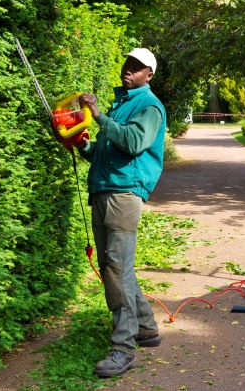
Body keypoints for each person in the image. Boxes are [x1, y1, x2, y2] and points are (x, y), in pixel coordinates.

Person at [75, 47, 167, 378]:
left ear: (149, 75)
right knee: (116, 268)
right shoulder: (123, 103)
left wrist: (98, 115)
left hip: (124, 194)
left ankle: (123, 349)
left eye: (137, 67)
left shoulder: (150, 106)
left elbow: (133, 142)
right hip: (104, 189)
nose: (129, 70)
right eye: (127, 64)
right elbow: (106, 152)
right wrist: (81, 144)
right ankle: (146, 329)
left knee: (115, 268)